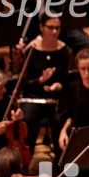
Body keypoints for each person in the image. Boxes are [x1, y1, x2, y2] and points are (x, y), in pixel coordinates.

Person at [20, 13, 74, 155]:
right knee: (28, 120)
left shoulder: (66, 51)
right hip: (33, 97)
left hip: (57, 99)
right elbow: (23, 83)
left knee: (60, 120)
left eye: (57, 28)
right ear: (41, 27)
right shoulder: (31, 50)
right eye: (51, 27)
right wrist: (40, 81)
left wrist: (59, 86)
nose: (55, 31)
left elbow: (69, 80)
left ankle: (60, 165)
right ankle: (25, 163)